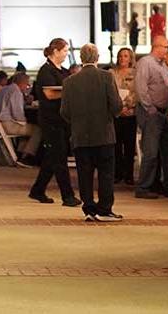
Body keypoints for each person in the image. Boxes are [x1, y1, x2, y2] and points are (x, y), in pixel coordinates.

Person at [60, 44, 123, 221]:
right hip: (104, 134)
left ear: (81, 58)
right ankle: (104, 209)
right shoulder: (106, 77)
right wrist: (113, 114)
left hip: (80, 136)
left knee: (84, 174)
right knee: (106, 173)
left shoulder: (69, 82)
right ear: (97, 57)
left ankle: (89, 208)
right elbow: (116, 105)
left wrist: (77, 123)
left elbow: (64, 111)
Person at [28, 39, 80, 206]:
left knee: (53, 157)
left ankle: (37, 190)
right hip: (51, 120)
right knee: (59, 158)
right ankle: (67, 196)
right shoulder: (46, 71)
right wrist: (68, 92)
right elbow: (49, 94)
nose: (66, 54)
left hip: (62, 120)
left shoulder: (63, 71)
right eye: (64, 51)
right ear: (55, 52)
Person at [134, 35, 168, 199]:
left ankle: (163, 185)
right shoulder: (146, 63)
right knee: (151, 151)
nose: (167, 50)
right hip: (152, 113)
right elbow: (140, 88)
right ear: (157, 46)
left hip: (164, 113)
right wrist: (150, 108)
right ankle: (143, 187)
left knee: (167, 151)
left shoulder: (162, 65)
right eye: (165, 47)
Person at [0, 72, 41, 165]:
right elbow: (17, 114)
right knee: (38, 129)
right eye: (27, 85)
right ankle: (28, 156)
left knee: (27, 129)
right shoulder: (16, 92)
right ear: (23, 83)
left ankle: (21, 153)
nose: (27, 87)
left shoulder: (5, 89)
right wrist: (26, 120)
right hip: (8, 125)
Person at [111, 47, 137, 185]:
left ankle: (129, 175)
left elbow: (136, 92)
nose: (122, 58)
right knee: (116, 145)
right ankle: (117, 173)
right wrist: (118, 108)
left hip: (131, 113)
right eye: (120, 56)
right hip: (116, 114)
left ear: (130, 58)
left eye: (125, 56)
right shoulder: (111, 73)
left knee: (129, 146)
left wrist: (128, 106)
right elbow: (110, 92)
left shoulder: (136, 73)